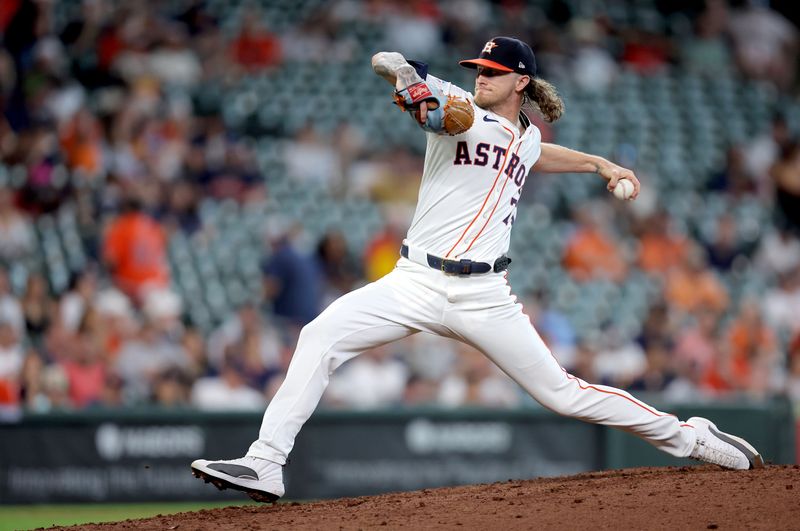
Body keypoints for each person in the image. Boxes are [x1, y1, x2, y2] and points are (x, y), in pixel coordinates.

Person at [191, 37, 763, 503]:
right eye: (477, 69)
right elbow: (433, 107)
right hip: (413, 281)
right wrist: (403, 76)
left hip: (484, 294)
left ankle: (690, 437)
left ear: (520, 82)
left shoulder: (527, 137)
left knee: (563, 394)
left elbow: (535, 151)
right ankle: (265, 464)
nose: (480, 76)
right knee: (319, 336)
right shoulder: (458, 106)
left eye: (492, 71)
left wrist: (598, 163)